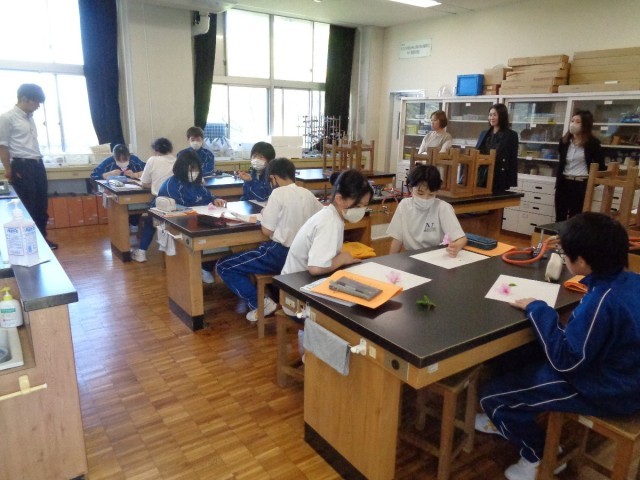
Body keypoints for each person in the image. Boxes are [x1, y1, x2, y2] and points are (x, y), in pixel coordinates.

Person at [475, 212, 640, 480]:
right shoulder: (632, 281)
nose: (563, 259)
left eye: (565, 255)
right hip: (624, 375)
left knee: (492, 397)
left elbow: (567, 362)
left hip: (609, 390)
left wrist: (539, 309)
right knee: (514, 357)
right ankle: (515, 417)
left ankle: (537, 456)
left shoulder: (601, 301)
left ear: (582, 261)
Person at [216, 157, 322, 321]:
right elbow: (319, 219)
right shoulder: (307, 193)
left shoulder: (278, 193)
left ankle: (260, 303)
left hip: (279, 253)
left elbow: (266, 231)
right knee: (250, 255)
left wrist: (266, 216)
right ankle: (270, 299)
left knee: (224, 265)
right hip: (304, 255)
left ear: (273, 178)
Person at [281, 169, 373, 278]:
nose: (361, 210)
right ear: (339, 199)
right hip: (295, 282)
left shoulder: (332, 216)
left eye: (364, 206)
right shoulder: (329, 222)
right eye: (358, 206)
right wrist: (343, 258)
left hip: (300, 278)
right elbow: (316, 268)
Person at [0, 84, 57, 249]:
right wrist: (8, 170)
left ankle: (42, 239)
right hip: (21, 165)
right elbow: (2, 146)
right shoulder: (7, 118)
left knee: (41, 205)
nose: (38, 106)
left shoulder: (29, 118)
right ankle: (30, 243)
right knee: (28, 205)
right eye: (36, 102)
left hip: (37, 164)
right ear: (24, 98)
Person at [157, 149, 226, 283]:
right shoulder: (171, 185)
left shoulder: (195, 183)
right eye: (190, 169)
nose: (193, 173)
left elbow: (207, 195)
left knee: (221, 235)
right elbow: (179, 210)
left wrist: (215, 199)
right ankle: (196, 268)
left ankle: (205, 267)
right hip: (180, 223)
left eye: (196, 169)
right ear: (181, 169)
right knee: (210, 236)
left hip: (199, 219)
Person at [387, 164, 466, 256]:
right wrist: (390, 260)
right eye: (420, 193)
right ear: (410, 188)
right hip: (412, 256)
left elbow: (461, 238)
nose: (425, 199)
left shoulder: (443, 208)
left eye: (431, 195)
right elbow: (397, 239)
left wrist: (457, 246)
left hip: (436, 255)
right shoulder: (404, 205)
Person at [554, 110, 605, 222]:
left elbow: (601, 166)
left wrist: (592, 183)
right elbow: (562, 162)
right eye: (572, 121)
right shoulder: (564, 141)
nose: (573, 124)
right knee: (560, 217)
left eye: (578, 122)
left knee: (575, 218)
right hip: (564, 182)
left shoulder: (593, 143)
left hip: (581, 184)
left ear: (585, 125)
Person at [131, 137, 176, 263]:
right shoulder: (177, 160)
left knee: (150, 223)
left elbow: (144, 183)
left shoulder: (153, 160)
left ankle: (141, 252)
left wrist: (155, 184)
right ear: (170, 149)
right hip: (177, 201)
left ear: (156, 150)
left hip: (160, 200)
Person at [91, 144, 146, 233]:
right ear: (114, 158)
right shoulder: (108, 162)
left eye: (125, 160)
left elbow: (147, 170)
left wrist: (135, 174)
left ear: (129, 156)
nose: (122, 162)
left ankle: (133, 223)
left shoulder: (134, 160)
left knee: (138, 202)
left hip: (132, 191)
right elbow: (94, 176)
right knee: (118, 208)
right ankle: (121, 227)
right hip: (114, 192)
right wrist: (108, 174)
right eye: (119, 160)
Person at [475, 103, 519, 193]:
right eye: (490, 115)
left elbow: (513, 159)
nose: (491, 118)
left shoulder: (511, 135)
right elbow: (477, 152)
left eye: (495, 115)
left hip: (499, 176)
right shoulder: (484, 133)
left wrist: (511, 181)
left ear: (502, 116)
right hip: (482, 175)